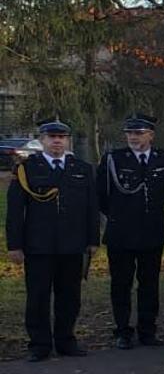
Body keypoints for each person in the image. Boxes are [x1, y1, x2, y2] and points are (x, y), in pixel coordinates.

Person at [9, 118, 99, 361]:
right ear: (42, 140)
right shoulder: (27, 169)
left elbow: (92, 207)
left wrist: (92, 240)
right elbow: (16, 211)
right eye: (52, 137)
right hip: (39, 246)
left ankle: (66, 341)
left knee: (69, 297)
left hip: (72, 245)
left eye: (61, 137)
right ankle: (39, 345)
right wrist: (14, 245)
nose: (57, 141)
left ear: (67, 140)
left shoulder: (81, 168)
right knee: (37, 297)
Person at [99, 112, 164, 349]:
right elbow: (103, 196)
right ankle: (123, 330)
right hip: (121, 233)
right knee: (121, 284)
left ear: (151, 135)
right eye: (130, 133)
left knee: (149, 284)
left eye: (139, 133)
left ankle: (147, 330)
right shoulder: (113, 159)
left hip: (151, 232)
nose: (133, 137)